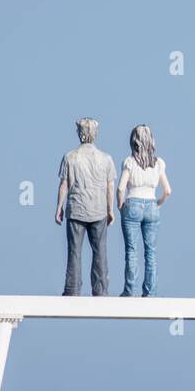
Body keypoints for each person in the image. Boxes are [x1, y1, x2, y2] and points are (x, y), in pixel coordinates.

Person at [55, 117, 116, 296]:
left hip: (76, 209)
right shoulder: (106, 158)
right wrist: (110, 209)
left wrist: (59, 207)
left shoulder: (70, 157)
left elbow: (64, 185)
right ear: (95, 134)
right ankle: (101, 290)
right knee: (100, 251)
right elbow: (110, 186)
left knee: (74, 252)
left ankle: (72, 289)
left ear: (79, 134)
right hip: (99, 210)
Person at [117, 124, 171, 296]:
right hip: (152, 205)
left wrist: (120, 205)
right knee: (151, 253)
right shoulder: (158, 164)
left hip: (132, 203)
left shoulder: (130, 163)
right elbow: (168, 191)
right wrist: (158, 204)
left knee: (131, 251)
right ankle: (150, 292)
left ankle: (129, 291)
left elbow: (120, 188)